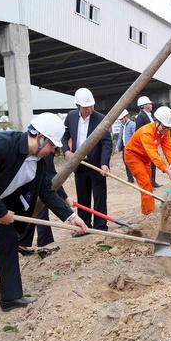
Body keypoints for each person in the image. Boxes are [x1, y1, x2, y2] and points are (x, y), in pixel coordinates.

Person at [0, 113, 88, 329]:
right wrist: (2, 213)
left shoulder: (38, 162)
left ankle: (10, 297)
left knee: (8, 239)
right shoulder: (2, 143)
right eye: (52, 146)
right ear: (39, 137)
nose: (53, 151)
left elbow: (46, 192)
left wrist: (71, 216)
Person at [62, 88, 112, 233]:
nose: (89, 109)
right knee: (82, 197)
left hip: (96, 164)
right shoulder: (71, 117)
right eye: (86, 107)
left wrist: (104, 163)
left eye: (91, 106)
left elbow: (107, 142)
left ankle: (101, 226)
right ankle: (85, 226)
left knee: (99, 196)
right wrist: (66, 150)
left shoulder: (100, 118)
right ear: (78, 105)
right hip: (79, 164)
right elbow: (64, 136)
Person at [17, 152, 75, 258]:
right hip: (33, 188)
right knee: (41, 211)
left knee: (33, 212)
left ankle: (22, 242)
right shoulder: (45, 154)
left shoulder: (41, 149)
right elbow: (52, 179)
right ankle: (43, 246)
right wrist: (65, 198)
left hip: (29, 186)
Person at [125, 106, 171, 214]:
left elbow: (168, 148)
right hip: (133, 156)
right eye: (164, 127)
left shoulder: (165, 132)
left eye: (168, 128)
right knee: (145, 184)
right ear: (156, 122)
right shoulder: (147, 132)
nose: (166, 130)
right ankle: (149, 212)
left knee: (148, 182)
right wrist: (167, 171)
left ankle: (147, 210)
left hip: (145, 158)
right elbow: (153, 155)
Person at [135, 95, 161, 188]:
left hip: (152, 143)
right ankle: (149, 182)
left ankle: (153, 181)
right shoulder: (141, 117)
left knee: (153, 163)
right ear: (144, 106)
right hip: (146, 144)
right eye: (149, 104)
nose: (151, 105)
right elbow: (138, 131)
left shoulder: (150, 115)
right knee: (148, 165)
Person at [114, 109, 136, 183]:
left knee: (133, 162)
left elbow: (134, 136)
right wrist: (117, 147)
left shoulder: (132, 125)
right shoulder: (122, 126)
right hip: (125, 147)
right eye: (120, 119)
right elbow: (120, 138)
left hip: (131, 148)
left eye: (121, 119)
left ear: (126, 117)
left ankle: (136, 176)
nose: (121, 121)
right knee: (126, 162)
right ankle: (130, 178)